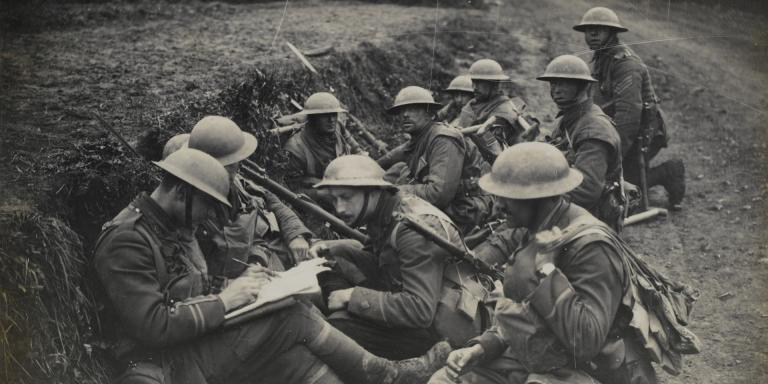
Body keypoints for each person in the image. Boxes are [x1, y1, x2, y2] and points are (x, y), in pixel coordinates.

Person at [93, 148, 449, 384]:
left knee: (295, 345)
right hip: (163, 365)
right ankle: (387, 375)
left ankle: (383, 375)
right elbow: (153, 325)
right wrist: (226, 300)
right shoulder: (126, 240)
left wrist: (242, 285)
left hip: (192, 343)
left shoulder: (171, 226)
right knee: (290, 316)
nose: (206, 220)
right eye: (207, 207)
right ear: (182, 193)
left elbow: (192, 289)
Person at [428, 142, 658, 384]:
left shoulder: (591, 248)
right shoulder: (535, 229)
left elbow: (588, 341)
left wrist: (547, 274)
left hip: (593, 372)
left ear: (542, 198)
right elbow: (524, 314)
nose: (498, 206)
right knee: (445, 380)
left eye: (509, 198)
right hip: (543, 359)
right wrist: (482, 348)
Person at [311, 155, 492, 360]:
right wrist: (332, 248)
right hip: (419, 299)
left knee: (338, 329)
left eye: (346, 197)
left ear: (373, 191)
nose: (339, 208)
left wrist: (351, 296)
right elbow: (379, 256)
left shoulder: (412, 228)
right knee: (329, 261)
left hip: (445, 328)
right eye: (334, 200)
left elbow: (420, 311)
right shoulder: (384, 210)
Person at [575, 6, 685, 210]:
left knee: (622, 182)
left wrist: (612, 154)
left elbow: (629, 117)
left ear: (612, 33)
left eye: (600, 29)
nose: (593, 34)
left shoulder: (626, 64)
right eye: (589, 30)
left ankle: (670, 171)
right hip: (621, 129)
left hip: (643, 133)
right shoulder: (602, 59)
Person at [181, 117, 312, 277]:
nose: (234, 169)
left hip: (273, 251)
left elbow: (273, 202)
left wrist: (295, 235)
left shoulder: (238, 184)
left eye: (233, 163)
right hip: (247, 274)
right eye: (228, 165)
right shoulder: (193, 208)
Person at [376, 86, 494, 234]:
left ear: (429, 113)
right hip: (449, 205)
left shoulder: (443, 139)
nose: (405, 115)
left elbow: (437, 195)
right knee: (398, 170)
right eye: (401, 110)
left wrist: (392, 191)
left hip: (465, 208)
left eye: (413, 109)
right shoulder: (419, 137)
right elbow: (388, 159)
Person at [538, 55, 625, 231]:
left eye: (564, 83)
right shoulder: (571, 118)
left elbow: (586, 191)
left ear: (583, 86)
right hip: (570, 207)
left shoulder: (594, 129)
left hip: (590, 221)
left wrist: (536, 198)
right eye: (553, 83)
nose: (556, 90)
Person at [283, 92, 365, 207]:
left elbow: (357, 150)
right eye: (325, 115)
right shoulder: (296, 149)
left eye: (334, 114)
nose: (331, 120)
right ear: (313, 118)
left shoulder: (337, 127)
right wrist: (321, 194)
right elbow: (292, 191)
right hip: (319, 203)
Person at [456, 59, 536, 163]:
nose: (474, 87)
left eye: (479, 83)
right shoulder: (471, 105)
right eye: (473, 82)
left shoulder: (505, 109)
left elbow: (496, 148)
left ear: (494, 85)